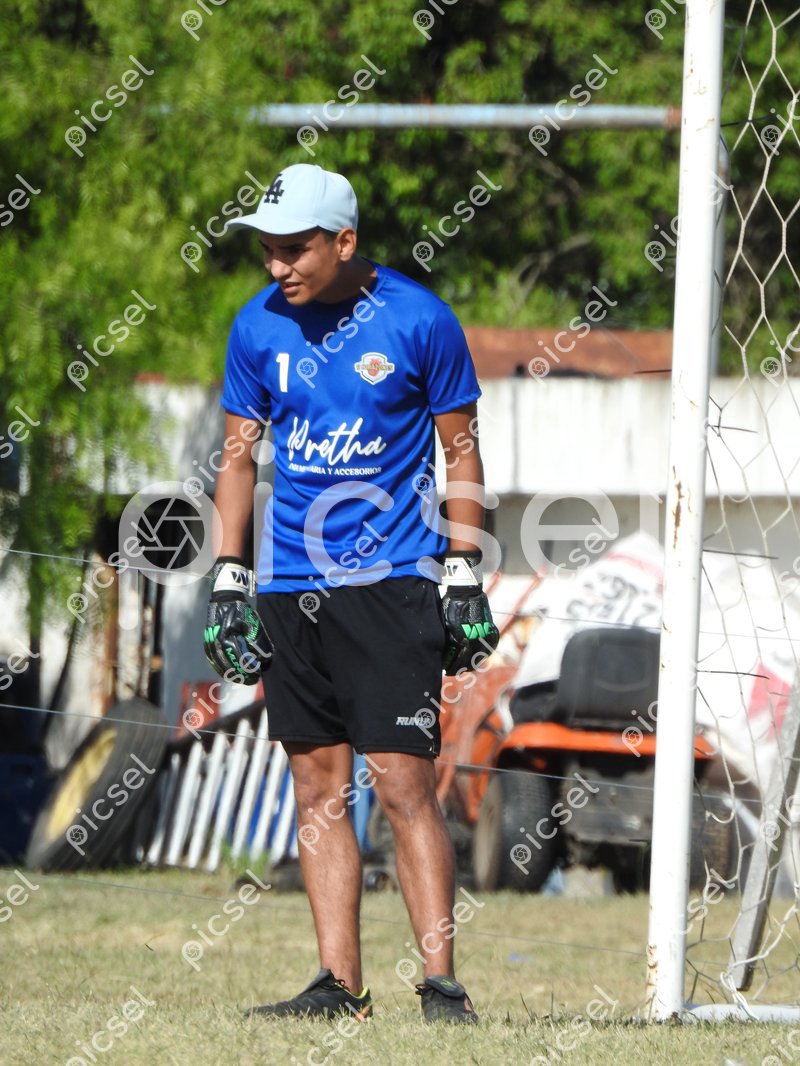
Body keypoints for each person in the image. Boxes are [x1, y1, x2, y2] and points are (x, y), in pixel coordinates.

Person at [202, 162, 498, 1024]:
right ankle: (340, 986)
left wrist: (463, 567)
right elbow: (237, 460)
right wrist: (229, 577)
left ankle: (441, 986)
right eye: (266, 249)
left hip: (392, 582)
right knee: (315, 788)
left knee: (404, 784)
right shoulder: (256, 325)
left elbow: (461, 449)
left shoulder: (420, 319)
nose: (277, 265)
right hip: (290, 585)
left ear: (344, 241)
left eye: (294, 249)